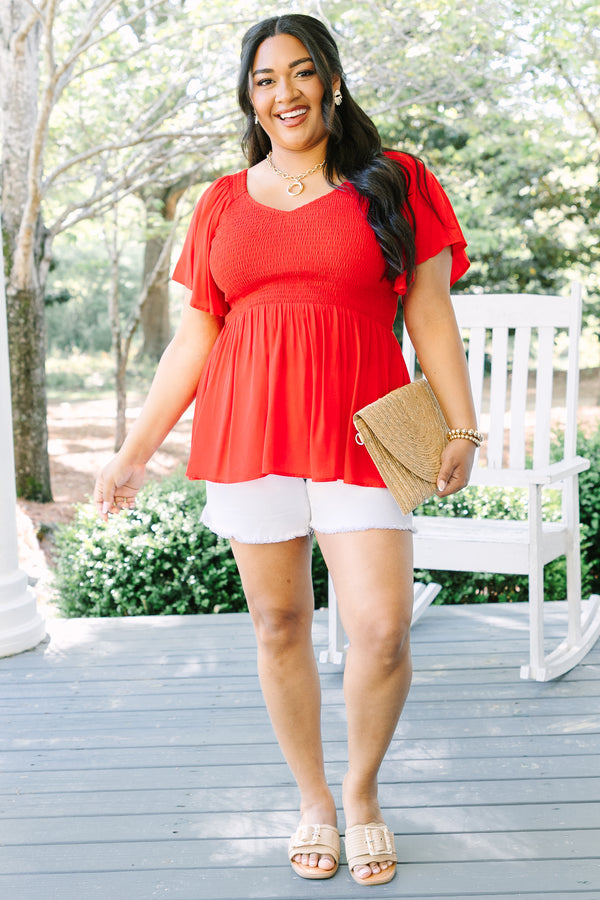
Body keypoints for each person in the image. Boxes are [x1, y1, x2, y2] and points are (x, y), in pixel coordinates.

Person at [94, 13, 478, 886]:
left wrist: (460, 425)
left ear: (332, 83)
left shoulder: (394, 180)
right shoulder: (223, 201)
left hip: (368, 428)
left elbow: (428, 312)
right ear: (250, 98)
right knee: (278, 624)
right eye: (266, 80)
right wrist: (131, 451)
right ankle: (313, 800)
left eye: (302, 74)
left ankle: (363, 792)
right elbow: (193, 339)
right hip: (248, 427)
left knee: (381, 631)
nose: (285, 93)